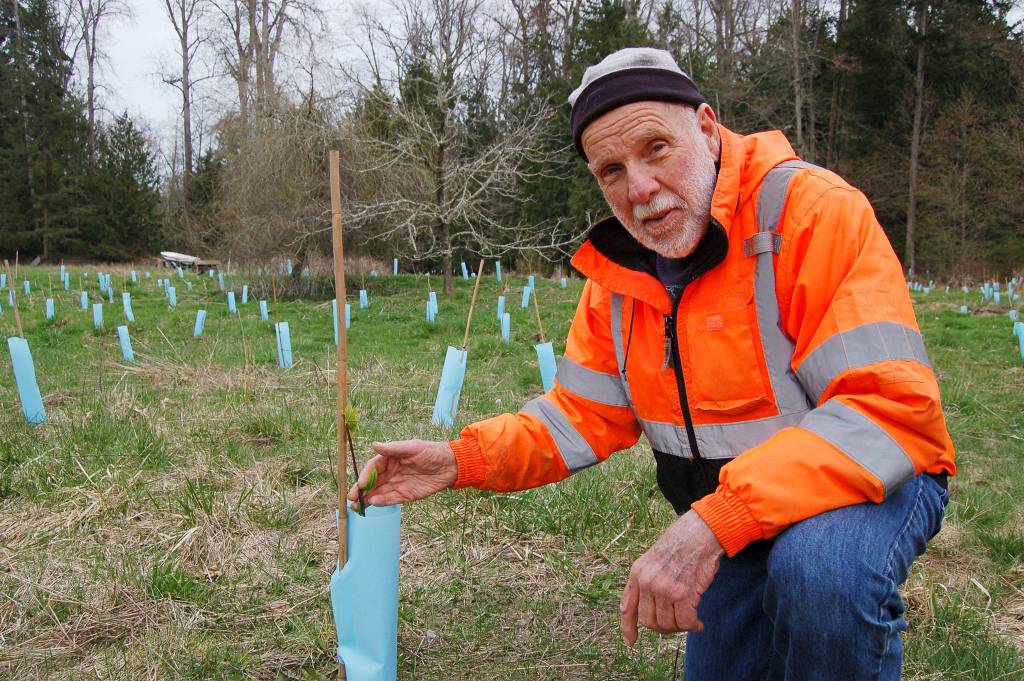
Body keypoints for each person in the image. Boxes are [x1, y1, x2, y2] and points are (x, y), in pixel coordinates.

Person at [348, 47, 956, 680]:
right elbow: (580, 416)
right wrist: (460, 460)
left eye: (655, 148)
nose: (638, 189)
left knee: (820, 575)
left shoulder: (811, 211)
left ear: (705, 126)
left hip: (871, 480)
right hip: (737, 515)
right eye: (610, 169)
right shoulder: (620, 273)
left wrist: (713, 524)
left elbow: (888, 409)